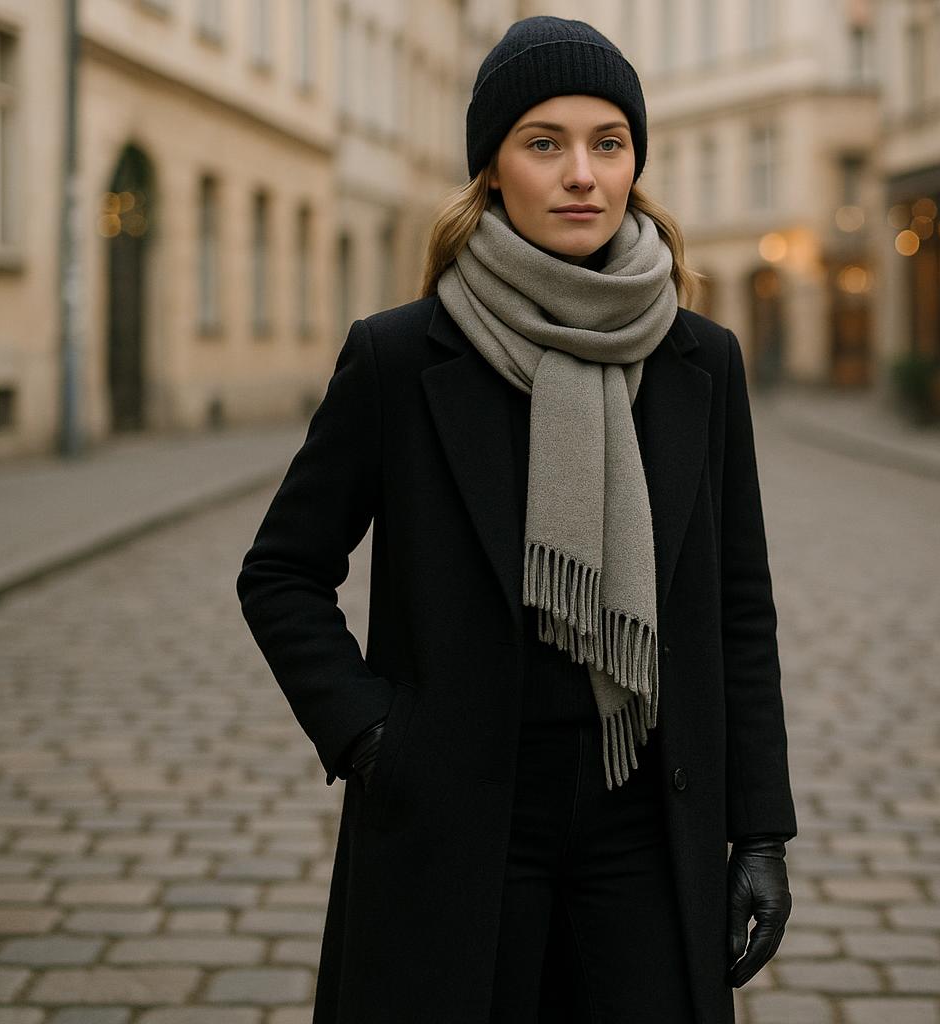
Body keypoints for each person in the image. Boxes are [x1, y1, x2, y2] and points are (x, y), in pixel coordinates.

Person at [236, 16, 796, 1024]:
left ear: (634, 162)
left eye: (607, 142)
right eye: (545, 143)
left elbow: (737, 607)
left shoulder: (699, 362)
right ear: (493, 168)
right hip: (458, 824)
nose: (581, 172)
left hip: (646, 821)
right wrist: (375, 737)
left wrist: (759, 832)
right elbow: (281, 572)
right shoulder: (404, 358)